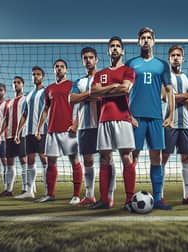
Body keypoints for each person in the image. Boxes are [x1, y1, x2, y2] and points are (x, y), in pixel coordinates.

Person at [126, 27, 174, 210]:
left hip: (155, 117)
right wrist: (128, 115)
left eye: (149, 38)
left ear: (154, 41)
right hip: (136, 117)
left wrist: (170, 114)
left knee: (157, 157)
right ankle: (129, 200)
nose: (146, 41)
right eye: (142, 38)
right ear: (138, 41)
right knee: (133, 158)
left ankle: (158, 199)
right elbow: (124, 91)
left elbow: (169, 92)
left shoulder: (162, 65)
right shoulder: (131, 64)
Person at [90, 36, 136, 211]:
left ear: (122, 50)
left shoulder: (128, 70)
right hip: (104, 119)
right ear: (108, 51)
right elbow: (93, 93)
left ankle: (129, 200)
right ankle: (104, 200)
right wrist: (113, 87)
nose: (115, 49)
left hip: (123, 118)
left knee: (126, 157)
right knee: (104, 159)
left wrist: (104, 90)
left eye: (118, 46)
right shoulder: (100, 74)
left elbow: (125, 88)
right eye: (112, 46)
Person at [35, 59, 83, 204]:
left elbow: (82, 106)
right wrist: (38, 129)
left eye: (62, 67)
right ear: (53, 70)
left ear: (66, 70)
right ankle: (50, 194)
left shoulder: (72, 85)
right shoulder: (49, 89)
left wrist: (76, 124)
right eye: (57, 67)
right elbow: (45, 110)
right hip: (51, 131)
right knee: (51, 162)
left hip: (68, 130)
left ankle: (76, 195)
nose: (59, 69)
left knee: (74, 160)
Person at [162, 45, 188, 205]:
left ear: (183, 59)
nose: (176, 58)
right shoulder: (164, 77)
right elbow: (164, 97)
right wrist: (185, 95)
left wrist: (176, 96)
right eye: (173, 55)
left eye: (178, 55)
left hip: (185, 124)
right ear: (169, 58)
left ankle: (187, 196)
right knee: (163, 158)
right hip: (169, 124)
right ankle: (159, 194)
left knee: (187, 158)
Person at [69, 47, 99, 206]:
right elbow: (72, 99)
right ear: (82, 61)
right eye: (85, 58)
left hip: (103, 124)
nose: (88, 60)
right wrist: (89, 94)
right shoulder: (79, 82)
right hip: (85, 127)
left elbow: (103, 96)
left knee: (107, 159)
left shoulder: (104, 77)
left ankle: (108, 196)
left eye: (91, 57)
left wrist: (91, 96)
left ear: (96, 59)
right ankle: (90, 195)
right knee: (88, 160)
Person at [14, 66, 48, 199]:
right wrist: (17, 133)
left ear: (42, 77)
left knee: (44, 159)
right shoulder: (28, 95)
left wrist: (40, 129)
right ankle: (29, 191)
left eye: (38, 74)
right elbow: (24, 114)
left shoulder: (46, 92)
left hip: (42, 131)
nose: (35, 76)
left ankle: (47, 190)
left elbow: (48, 110)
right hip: (28, 132)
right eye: (33, 74)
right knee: (30, 160)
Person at [0, 76, 27, 197]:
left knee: (23, 160)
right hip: (9, 136)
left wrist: (19, 132)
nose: (16, 84)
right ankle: (8, 190)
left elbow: (26, 115)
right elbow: (6, 118)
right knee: (10, 162)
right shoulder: (9, 102)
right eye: (14, 83)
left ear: (23, 84)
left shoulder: (26, 99)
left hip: (21, 134)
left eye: (18, 82)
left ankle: (26, 188)